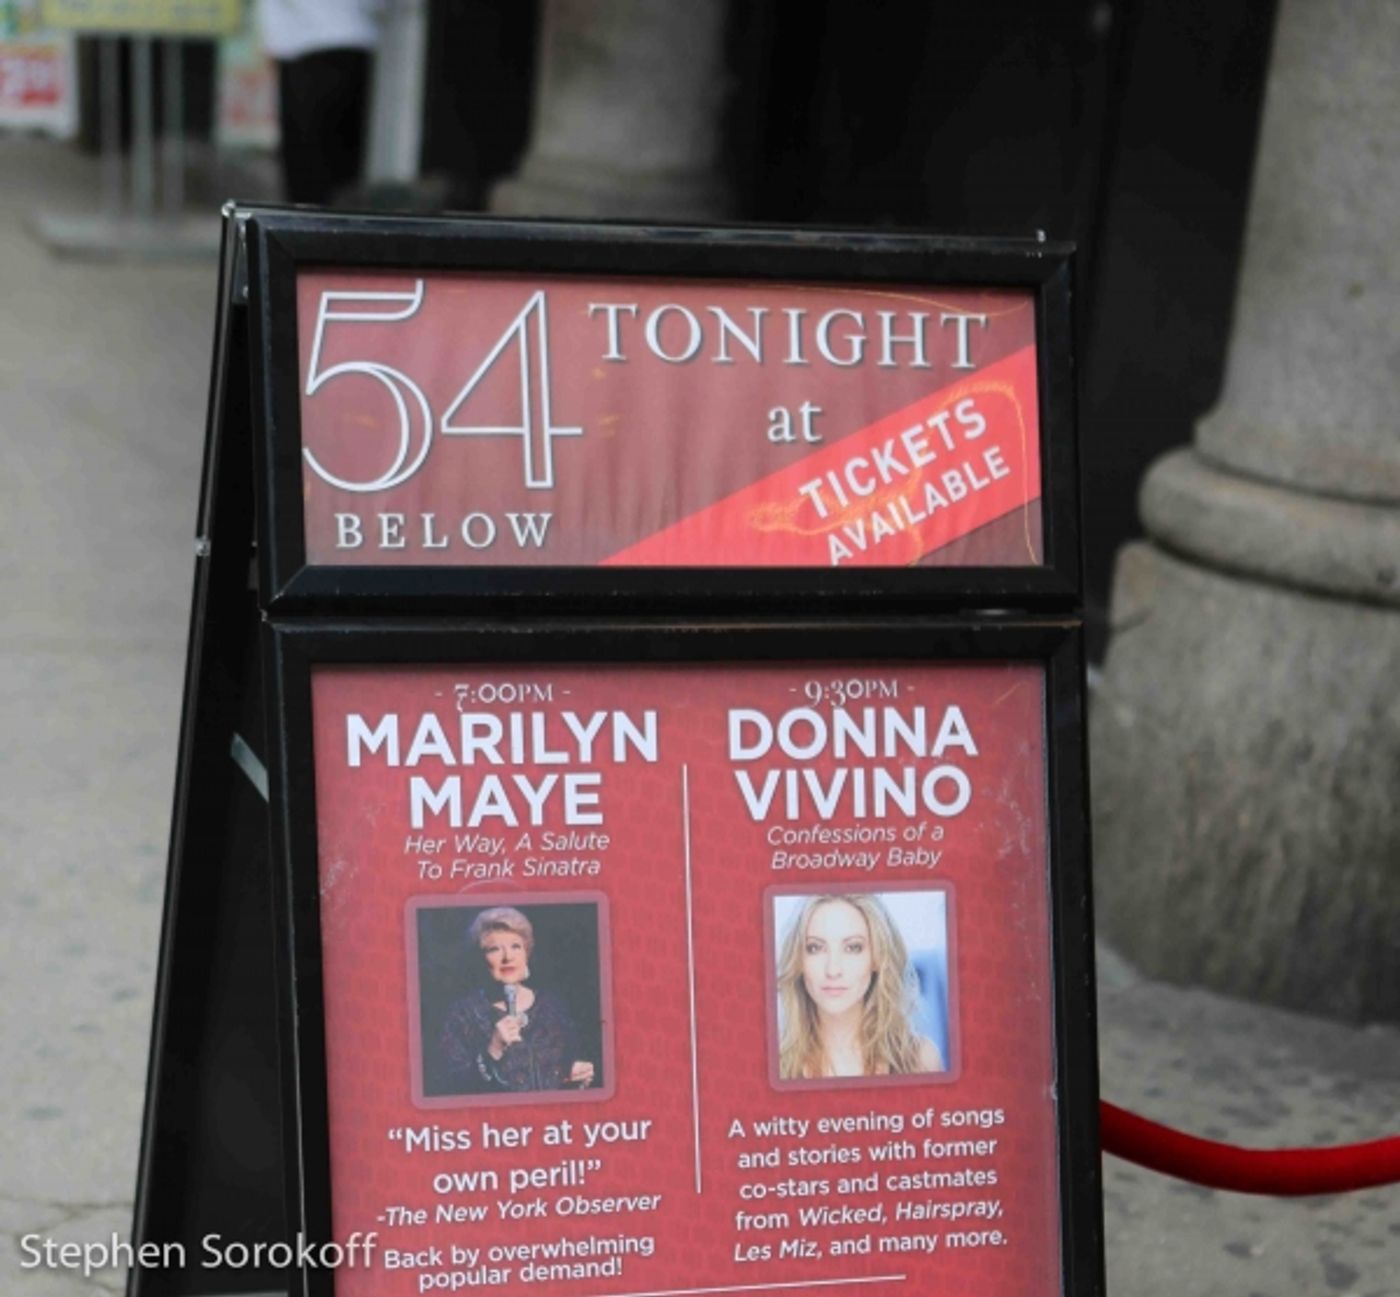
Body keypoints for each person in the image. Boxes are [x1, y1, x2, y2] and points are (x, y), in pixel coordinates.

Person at [777, 893, 943, 1080]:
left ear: (877, 959)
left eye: (853, 948)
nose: (833, 970)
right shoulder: (776, 1065)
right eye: (815, 948)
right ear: (798, 961)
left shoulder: (920, 1059)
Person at [440, 906, 596, 1094]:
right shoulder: (463, 1014)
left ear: (526, 954)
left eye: (516, 946)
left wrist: (578, 1076)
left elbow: (568, 1067)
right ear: (480, 959)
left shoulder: (552, 1006)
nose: (508, 957)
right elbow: (454, 1089)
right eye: (494, 949)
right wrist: (493, 1049)